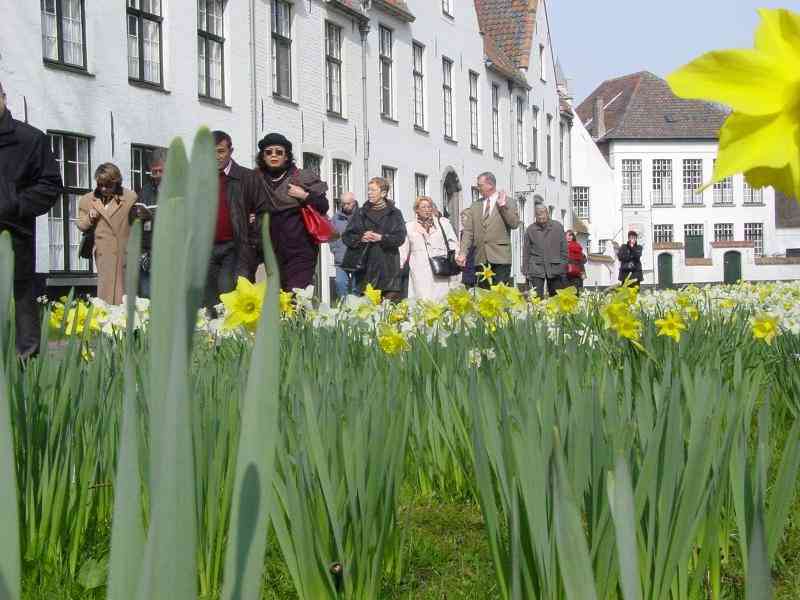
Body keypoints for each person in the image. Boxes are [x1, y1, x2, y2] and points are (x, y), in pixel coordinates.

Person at [0, 79, 62, 358]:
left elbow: (50, 186)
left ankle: (24, 372)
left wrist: (13, 204)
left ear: (2, 97)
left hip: (15, 237)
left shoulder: (30, 139)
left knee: (22, 303)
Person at [248, 132, 329, 292]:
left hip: (300, 250)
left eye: (279, 152)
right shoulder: (254, 179)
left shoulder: (302, 177)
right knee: (277, 301)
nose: (274, 156)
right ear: (262, 156)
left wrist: (304, 195)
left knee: (296, 297)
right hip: (268, 251)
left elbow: (323, 205)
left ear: (286, 156)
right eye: (268, 152)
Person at [204, 130, 260, 310]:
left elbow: (260, 209)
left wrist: (252, 237)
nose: (216, 157)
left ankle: (232, 335)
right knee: (208, 299)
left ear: (231, 151)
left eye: (220, 151)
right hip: (207, 248)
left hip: (234, 246)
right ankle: (214, 336)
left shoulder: (246, 177)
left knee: (227, 292)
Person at [77, 163, 138, 305]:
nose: (103, 189)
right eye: (100, 184)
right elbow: (81, 225)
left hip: (124, 255)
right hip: (103, 255)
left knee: (123, 298)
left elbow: (136, 223)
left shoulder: (129, 197)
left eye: (108, 185)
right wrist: (90, 218)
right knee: (105, 297)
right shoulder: (87, 200)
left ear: (117, 182)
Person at [341, 177, 406, 300]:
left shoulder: (395, 213)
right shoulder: (361, 213)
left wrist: (382, 238)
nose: (369, 193)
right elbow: (347, 236)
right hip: (366, 269)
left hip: (388, 268)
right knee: (367, 311)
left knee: (387, 312)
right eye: (369, 190)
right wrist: (361, 238)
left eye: (373, 190)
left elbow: (400, 237)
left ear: (383, 193)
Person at [456, 172, 519, 287]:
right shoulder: (475, 206)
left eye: (480, 185)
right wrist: (463, 253)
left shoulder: (509, 202)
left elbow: (514, 224)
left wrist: (503, 206)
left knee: (499, 296)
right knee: (483, 296)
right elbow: (468, 232)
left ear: (490, 184)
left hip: (500, 258)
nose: (478, 188)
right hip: (481, 257)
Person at [400, 196, 459, 301]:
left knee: (441, 299)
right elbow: (403, 249)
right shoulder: (409, 227)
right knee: (422, 299)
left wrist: (458, 256)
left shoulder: (443, 223)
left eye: (429, 207)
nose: (427, 210)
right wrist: (400, 264)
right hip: (419, 269)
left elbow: (452, 242)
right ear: (416, 209)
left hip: (440, 267)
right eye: (423, 207)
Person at [128, 148, 166, 298]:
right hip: (147, 251)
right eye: (153, 172)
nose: (156, 176)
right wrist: (137, 215)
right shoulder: (146, 190)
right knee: (146, 296)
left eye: (160, 171)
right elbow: (131, 219)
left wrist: (153, 217)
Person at [522, 204, 567, 298]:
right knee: (536, 298)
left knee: (557, 298)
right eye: (538, 214)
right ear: (535, 216)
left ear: (547, 213)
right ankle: (538, 313)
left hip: (556, 266)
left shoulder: (557, 227)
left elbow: (564, 248)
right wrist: (526, 270)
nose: (540, 216)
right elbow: (526, 251)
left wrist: (563, 264)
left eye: (542, 213)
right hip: (536, 267)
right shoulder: (530, 230)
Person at [330, 191, 358, 300]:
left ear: (354, 203)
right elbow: (331, 235)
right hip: (341, 259)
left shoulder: (361, 216)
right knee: (340, 285)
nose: (345, 206)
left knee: (357, 290)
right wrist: (334, 249)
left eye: (348, 203)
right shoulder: (336, 218)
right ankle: (343, 311)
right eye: (343, 204)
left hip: (358, 259)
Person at [565, 229, 587, 294]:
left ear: (573, 236)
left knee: (576, 292)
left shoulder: (577, 246)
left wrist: (583, 273)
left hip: (576, 273)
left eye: (570, 235)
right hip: (566, 273)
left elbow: (582, 260)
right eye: (567, 235)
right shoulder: (562, 246)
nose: (569, 237)